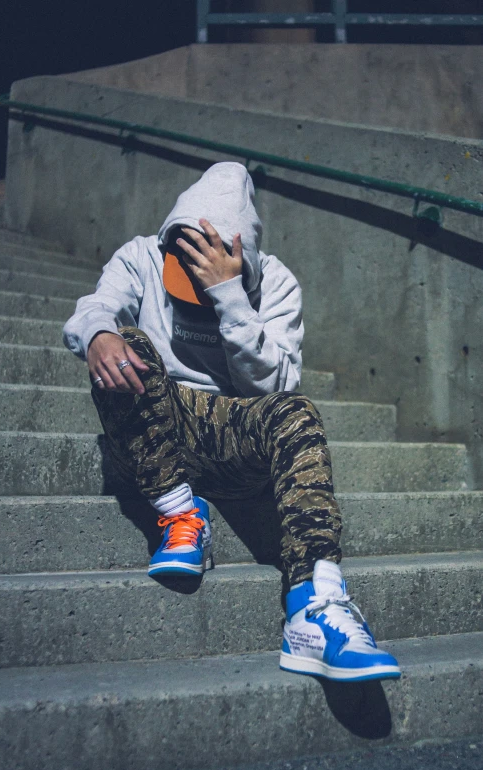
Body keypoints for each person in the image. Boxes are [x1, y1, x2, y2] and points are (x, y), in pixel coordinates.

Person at [63, 161, 400, 682]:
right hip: (161, 432)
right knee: (123, 344)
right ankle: (179, 513)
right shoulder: (142, 258)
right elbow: (96, 306)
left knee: (298, 410)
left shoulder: (278, 284)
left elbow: (274, 389)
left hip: (233, 434)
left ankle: (317, 605)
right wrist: (97, 333)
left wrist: (229, 297)